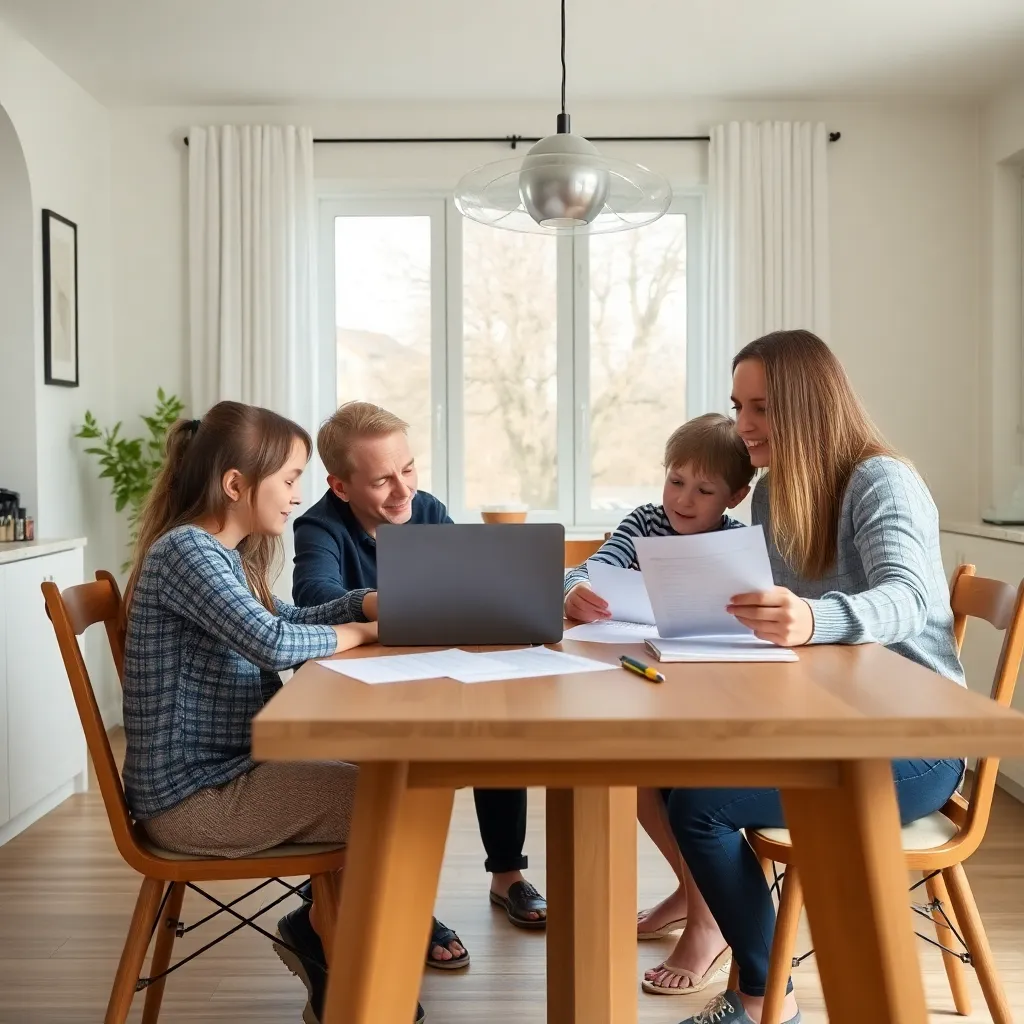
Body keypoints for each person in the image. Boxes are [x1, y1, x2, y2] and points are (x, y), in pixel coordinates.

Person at [649, 330, 965, 1024]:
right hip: (827, 722)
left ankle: (764, 995)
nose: (744, 426)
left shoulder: (882, 480)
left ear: (809, 405)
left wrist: (811, 620)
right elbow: (778, 617)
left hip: (916, 742)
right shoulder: (771, 495)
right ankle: (739, 955)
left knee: (696, 805)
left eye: (761, 407)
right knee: (666, 769)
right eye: (738, 405)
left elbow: (908, 597)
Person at [120, 401, 423, 1024]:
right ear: (236, 485)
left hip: (219, 777)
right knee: (399, 798)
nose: (297, 495)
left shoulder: (215, 553)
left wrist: (362, 605)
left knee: (384, 778)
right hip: (194, 802)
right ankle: (350, 969)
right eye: (288, 479)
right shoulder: (190, 554)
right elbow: (275, 644)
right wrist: (364, 634)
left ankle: (342, 960)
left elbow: (282, 620)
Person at [292, 401, 547, 970]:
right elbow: (310, 599)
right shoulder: (319, 526)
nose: (402, 489)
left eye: (408, 468)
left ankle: (508, 875)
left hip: (431, 671)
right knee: (399, 765)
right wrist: (377, 602)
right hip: (360, 688)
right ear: (339, 485)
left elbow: (475, 580)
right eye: (382, 479)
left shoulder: (427, 510)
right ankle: (402, 900)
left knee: (496, 732)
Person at [563, 412, 754, 955]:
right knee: (639, 777)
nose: (684, 499)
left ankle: (706, 918)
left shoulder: (738, 543)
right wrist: (572, 590)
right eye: (676, 480)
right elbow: (588, 569)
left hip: (718, 691)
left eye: (703, 489)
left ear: (735, 497)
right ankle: (696, 897)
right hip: (651, 677)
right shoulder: (644, 522)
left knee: (681, 780)